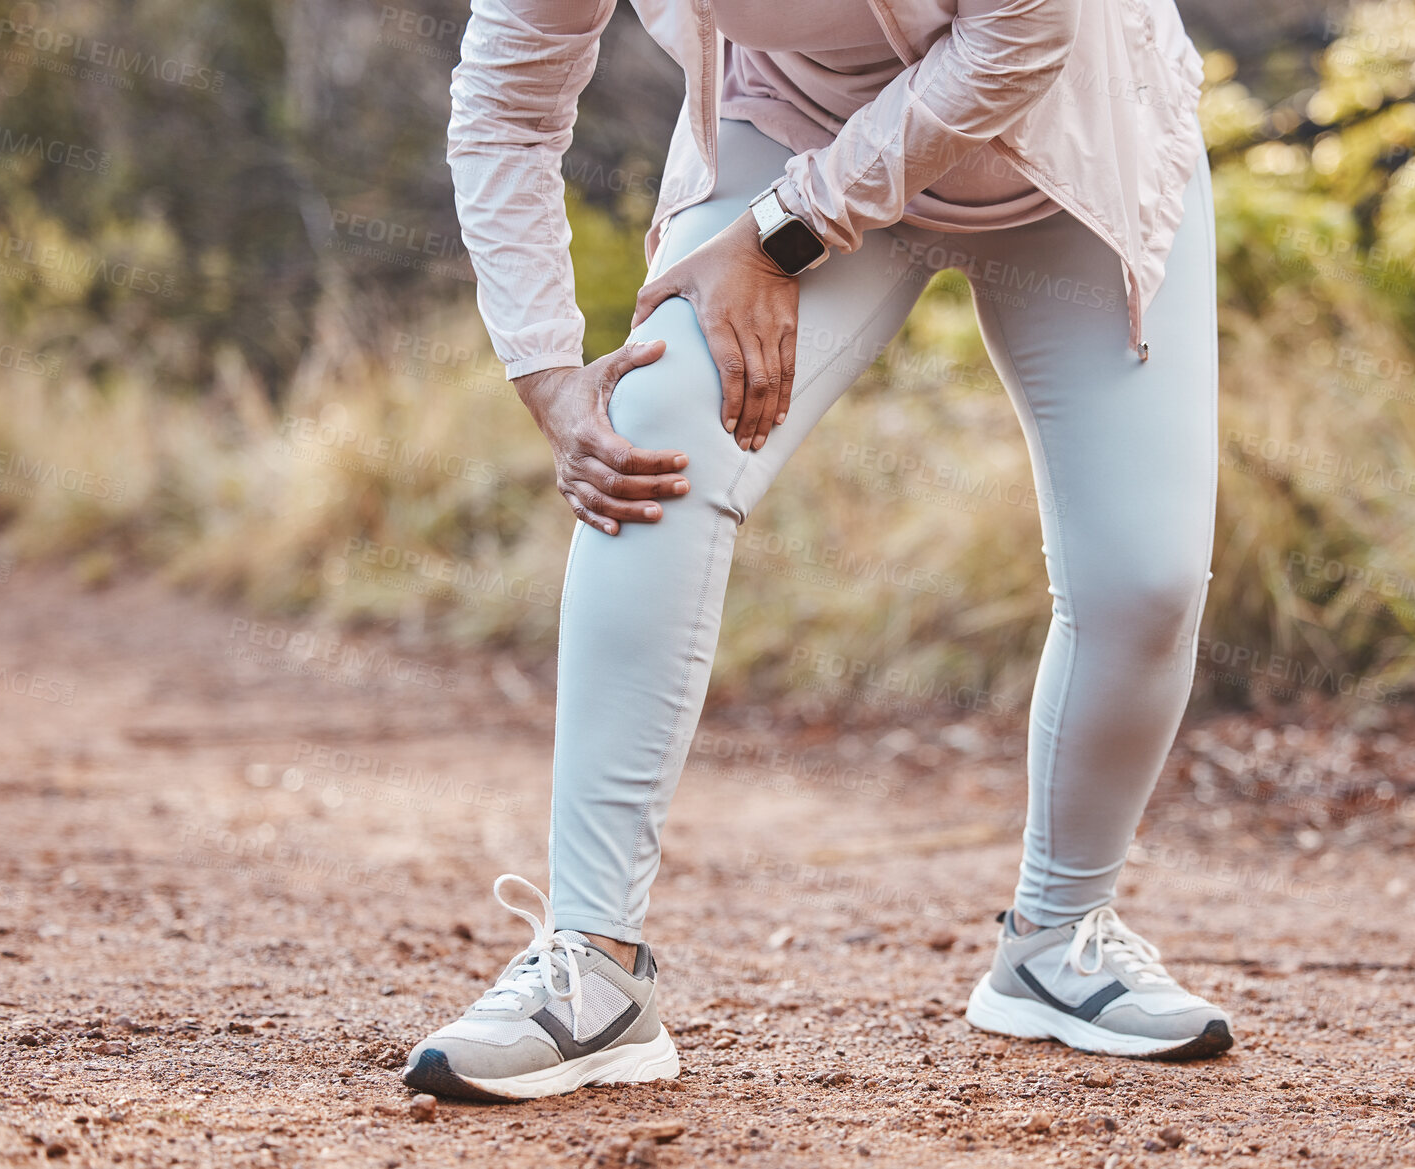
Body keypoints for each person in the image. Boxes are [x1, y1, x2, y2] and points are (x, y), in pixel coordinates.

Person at [403, 0, 1231, 1101]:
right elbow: (507, 109)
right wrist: (548, 372)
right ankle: (591, 968)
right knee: (651, 435)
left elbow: (1020, 41)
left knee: (1146, 580)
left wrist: (780, 233)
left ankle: (1057, 936)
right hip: (793, 126)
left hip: (1065, 137)